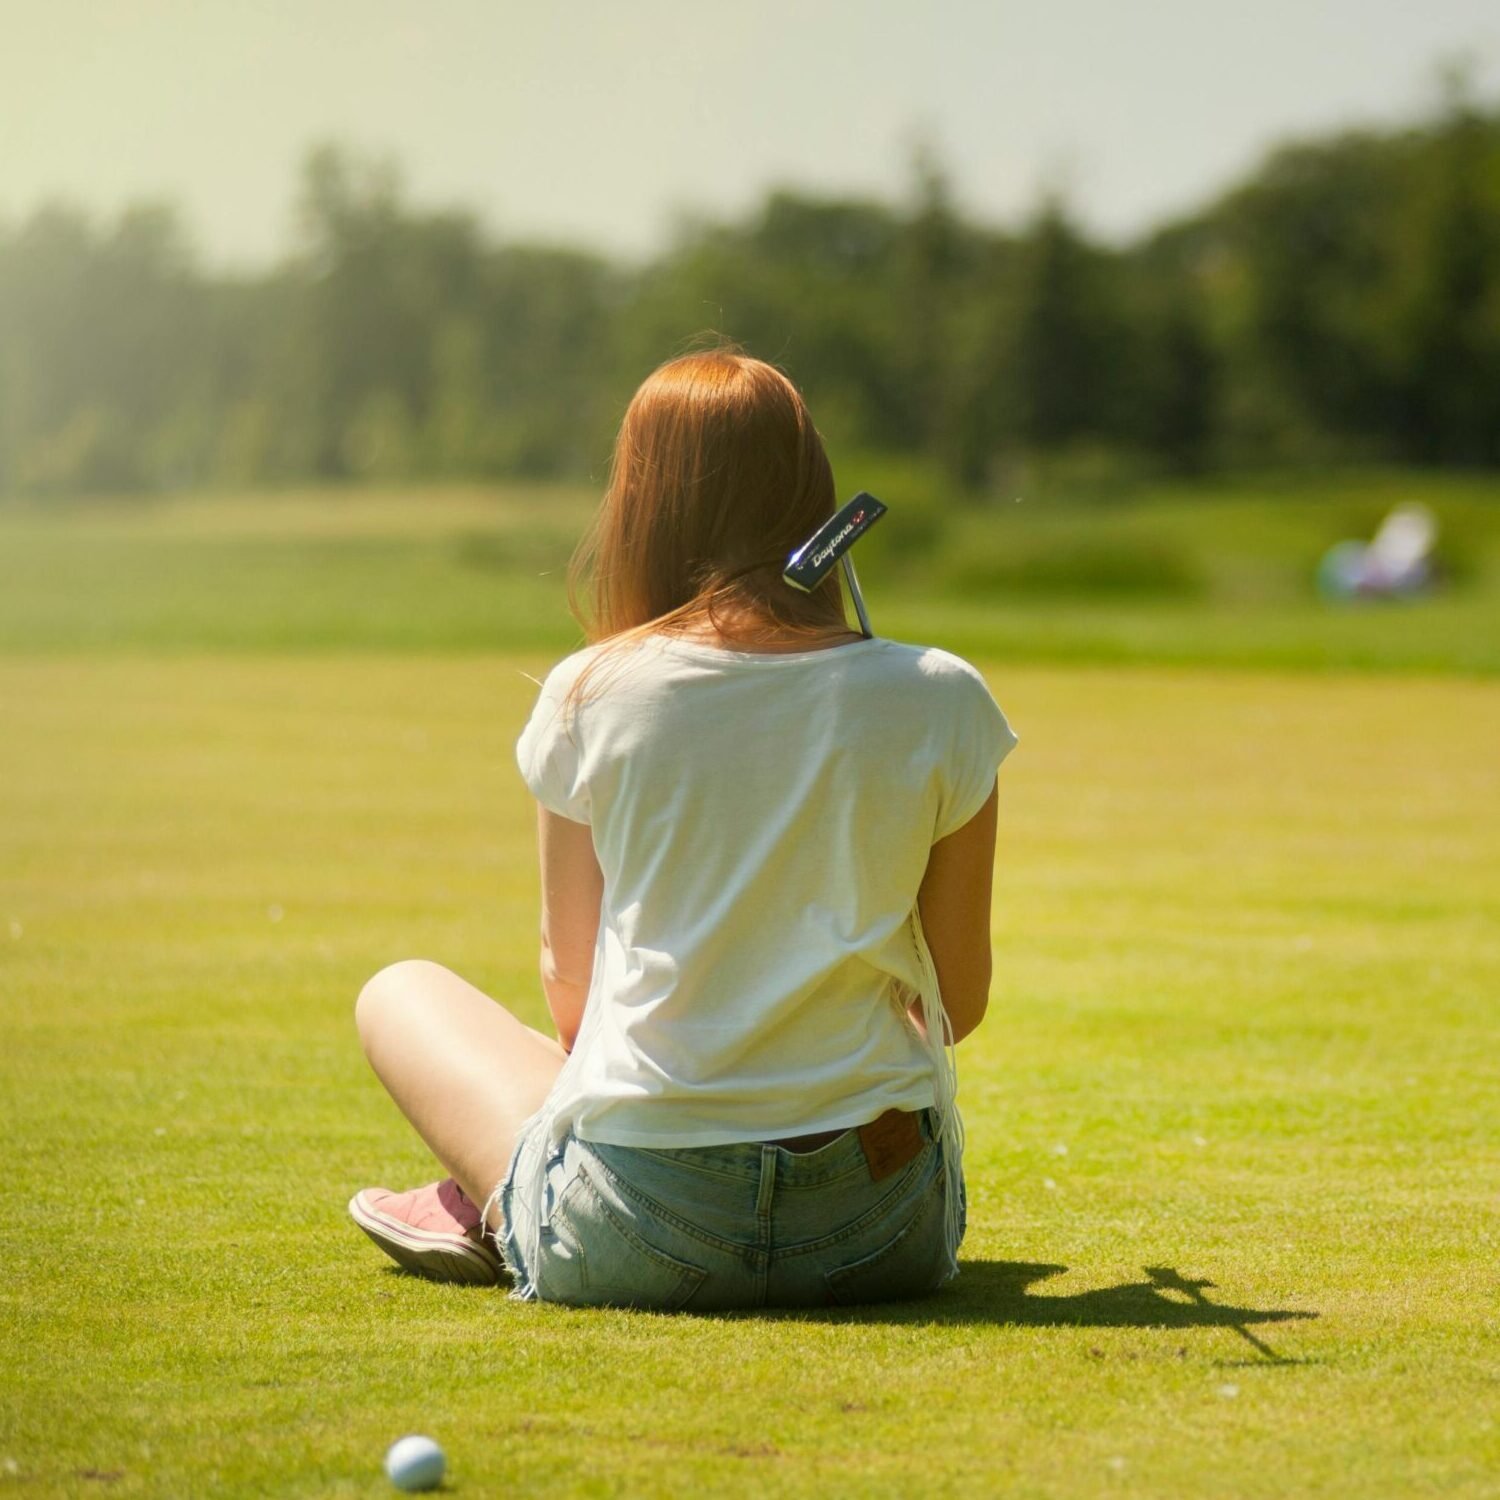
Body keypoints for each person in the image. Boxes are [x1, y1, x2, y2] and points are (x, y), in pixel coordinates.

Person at [348, 344, 1018, 1310]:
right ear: (814, 494)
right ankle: (514, 1193)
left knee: (399, 991)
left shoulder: (592, 691)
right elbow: (955, 1003)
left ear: (644, 503)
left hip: (637, 1223)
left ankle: (509, 1201)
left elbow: (572, 999)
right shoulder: (944, 697)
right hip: (880, 1231)